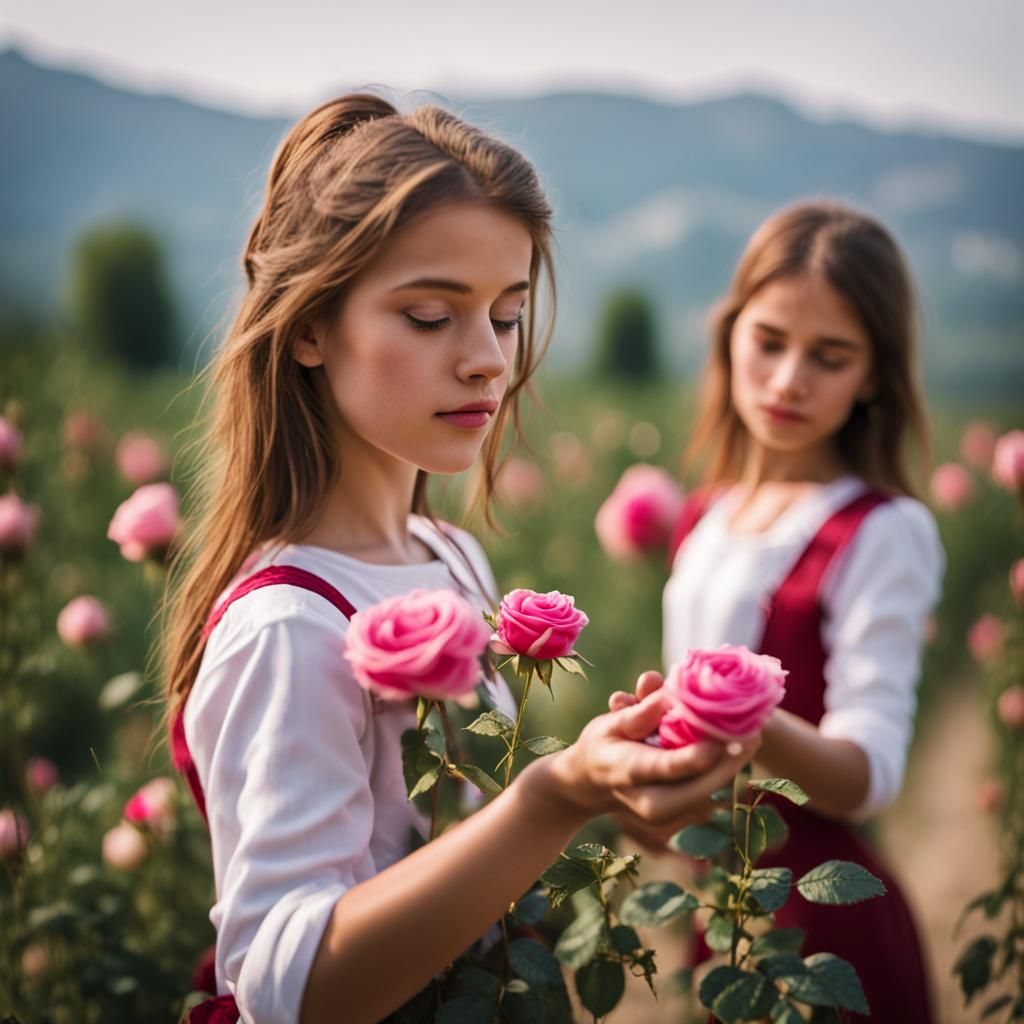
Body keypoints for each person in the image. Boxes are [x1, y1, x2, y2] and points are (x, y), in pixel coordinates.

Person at [160, 94, 756, 1024]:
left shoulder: (451, 555)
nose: (487, 360)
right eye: (432, 317)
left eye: (508, 316)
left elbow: (451, 848)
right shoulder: (288, 625)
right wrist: (551, 801)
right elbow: (290, 989)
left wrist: (608, 791)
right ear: (310, 327)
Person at [613, 201, 943, 1022]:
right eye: (770, 342)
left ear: (873, 373)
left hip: (824, 925)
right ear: (729, 334)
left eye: (830, 357)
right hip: (719, 899)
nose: (790, 378)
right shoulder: (707, 514)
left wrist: (741, 722)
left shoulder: (879, 529)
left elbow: (868, 775)